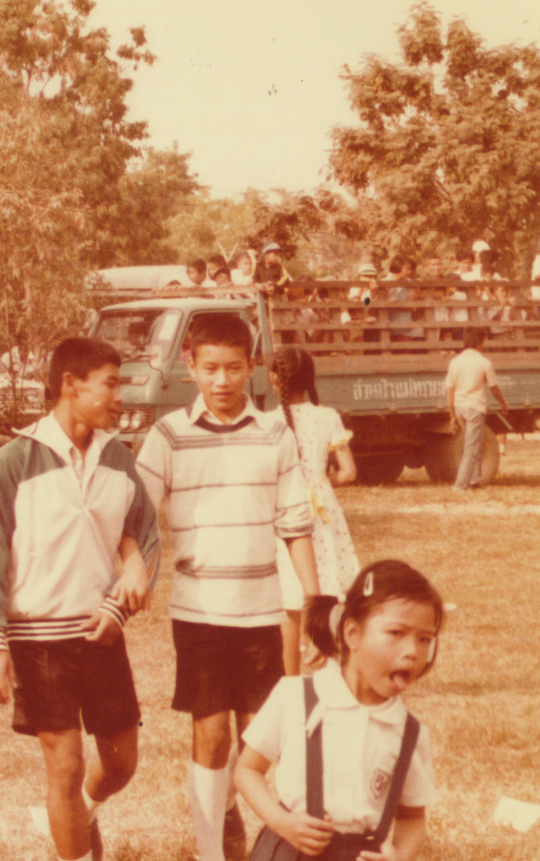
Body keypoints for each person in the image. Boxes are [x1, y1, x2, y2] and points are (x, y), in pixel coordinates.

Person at [136, 313, 319, 861]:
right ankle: (210, 850)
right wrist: (130, 569)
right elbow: (136, 516)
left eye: (234, 368)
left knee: (260, 737)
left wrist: (315, 603)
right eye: (210, 368)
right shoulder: (168, 435)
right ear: (189, 364)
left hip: (261, 612)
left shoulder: (275, 433)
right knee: (211, 733)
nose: (222, 380)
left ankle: (247, 821)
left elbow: (296, 525)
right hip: (199, 612)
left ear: (253, 367)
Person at [0, 337, 160, 861]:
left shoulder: (118, 458)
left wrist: (121, 601)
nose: (120, 397)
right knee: (65, 766)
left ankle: (83, 812)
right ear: (71, 385)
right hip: (38, 640)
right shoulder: (12, 461)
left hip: (102, 635)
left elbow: (146, 538)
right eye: (111, 384)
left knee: (122, 764)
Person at [234, 560, 440, 861]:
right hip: (289, 850)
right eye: (397, 633)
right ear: (352, 634)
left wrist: (400, 856)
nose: (412, 652)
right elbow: (246, 770)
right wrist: (283, 823)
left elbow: (412, 819)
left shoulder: (408, 732)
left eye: (425, 639)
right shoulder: (295, 697)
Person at [269, 346, 360, 676]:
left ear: (273, 378)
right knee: (328, 585)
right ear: (310, 378)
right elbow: (348, 473)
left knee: (289, 599)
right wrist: (321, 484)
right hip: (322, 512)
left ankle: (290, 681)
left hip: (285, 511)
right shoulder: (327, 416)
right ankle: (334, 670)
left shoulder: (267, 422)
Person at [444, 328, 510, 493]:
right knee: (471, 448)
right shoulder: (484, 363)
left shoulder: (454, 362)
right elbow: (494, 388)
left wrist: (452, 415)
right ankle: (460, 485)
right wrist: (503, 403)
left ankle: (475, 480)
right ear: (480, 343)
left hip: (460, 408)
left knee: (475, 444)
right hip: (475, 407)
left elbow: (450, 390)